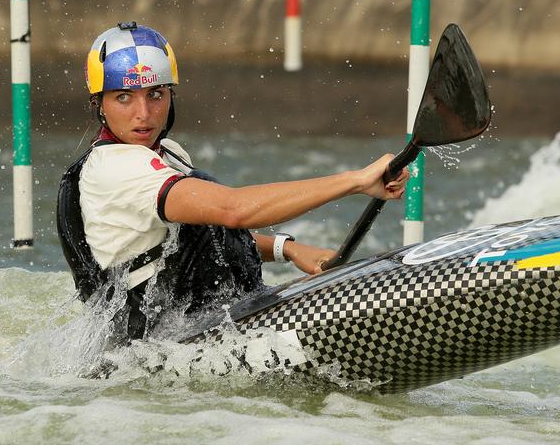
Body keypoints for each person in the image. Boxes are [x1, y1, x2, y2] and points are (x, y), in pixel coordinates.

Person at [57, 22, 409, 341]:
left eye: (156, 94)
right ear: (99, 104)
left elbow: (196, 235)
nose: (143, 113)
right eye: (124, 97)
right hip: (155, 349)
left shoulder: (166, 153)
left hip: (195, 328)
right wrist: (357, 180)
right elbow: (233, 210)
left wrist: (285, 249)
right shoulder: (115, 168)